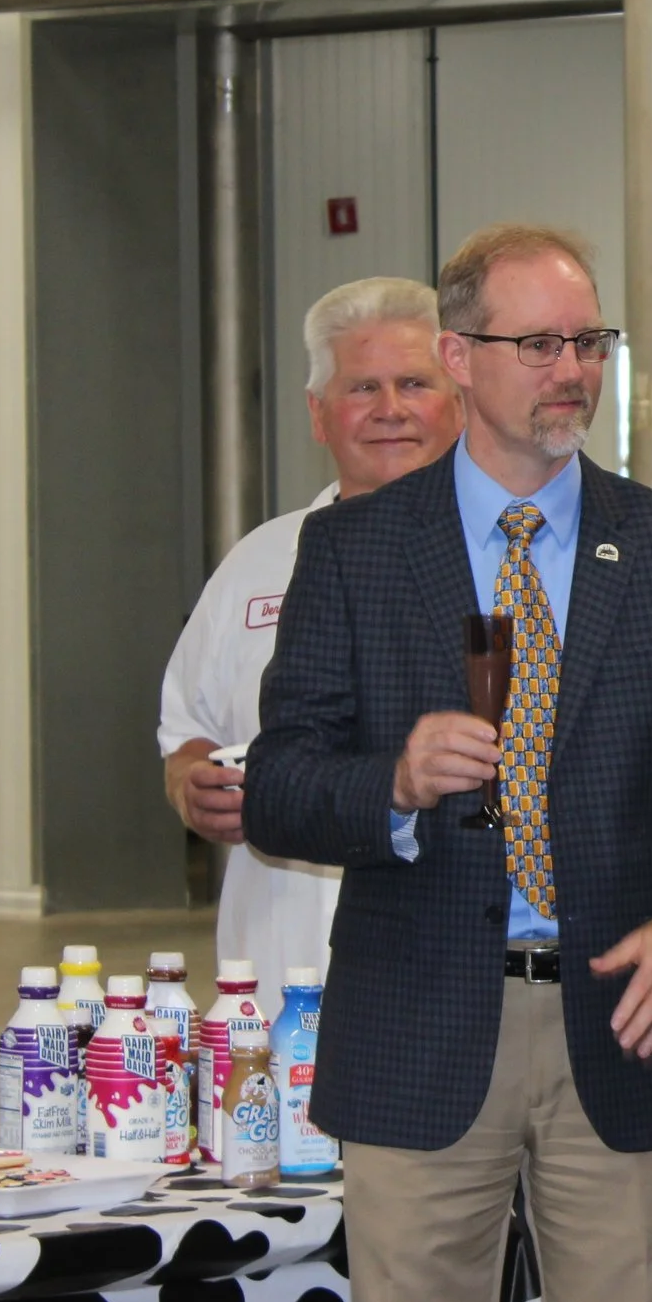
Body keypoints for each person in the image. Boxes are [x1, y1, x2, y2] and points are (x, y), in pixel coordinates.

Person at [242, 224, 652, 1302]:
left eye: (589, 341)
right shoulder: (356, 551)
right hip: (419, 1026)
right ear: (460, 356)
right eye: (538, 345)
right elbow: (277, 785)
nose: (573, 373)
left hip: (619, 1031)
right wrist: (392, 783)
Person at [159, 275, 464, 1016]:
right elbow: (186, 732)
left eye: (414, 383)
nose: (390, 410)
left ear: (461, 397)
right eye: (361, 387)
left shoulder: (512, 559)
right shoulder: (258, 563)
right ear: (317, 414)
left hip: (449, 982)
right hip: (272, 982)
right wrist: (190, 786)